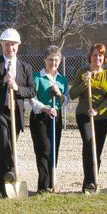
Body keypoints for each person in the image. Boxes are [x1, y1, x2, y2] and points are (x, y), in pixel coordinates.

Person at [0, 28, 35, 198]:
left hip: (15, 112)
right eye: (7, 44)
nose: (10, 48)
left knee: (7, 148)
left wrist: (17, 88)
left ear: (18, 46)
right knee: (5, 140)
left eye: (13, 44)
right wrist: (3, 81)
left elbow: (32, 91)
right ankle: (11, 169)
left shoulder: (25, 67)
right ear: (1, 45)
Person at [69, 43, 107, 193]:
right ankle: (89, 182)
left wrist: (98, 110)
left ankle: (93, 181)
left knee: (97, 149)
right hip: (84, 115)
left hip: (102, 116)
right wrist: (85, 82)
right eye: (95, 55)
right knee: (89, 144)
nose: (97, 58)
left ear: (104, 58)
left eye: (100, 55)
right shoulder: (83, 72)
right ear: (90, 57)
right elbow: (72, 94)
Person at [29, 45, 69, 194]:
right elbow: (32, 99)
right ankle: (43, 186)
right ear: (45, 60)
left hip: (55, 117)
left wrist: (59, 94)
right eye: (50, 60)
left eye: (56, 60)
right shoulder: (37, 77)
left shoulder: (62, 79)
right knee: (44, 150)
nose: (53, 63)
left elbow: (66, 101)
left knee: (54, 150)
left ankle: (52, 183)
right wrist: (45, 108)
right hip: (40, 116)